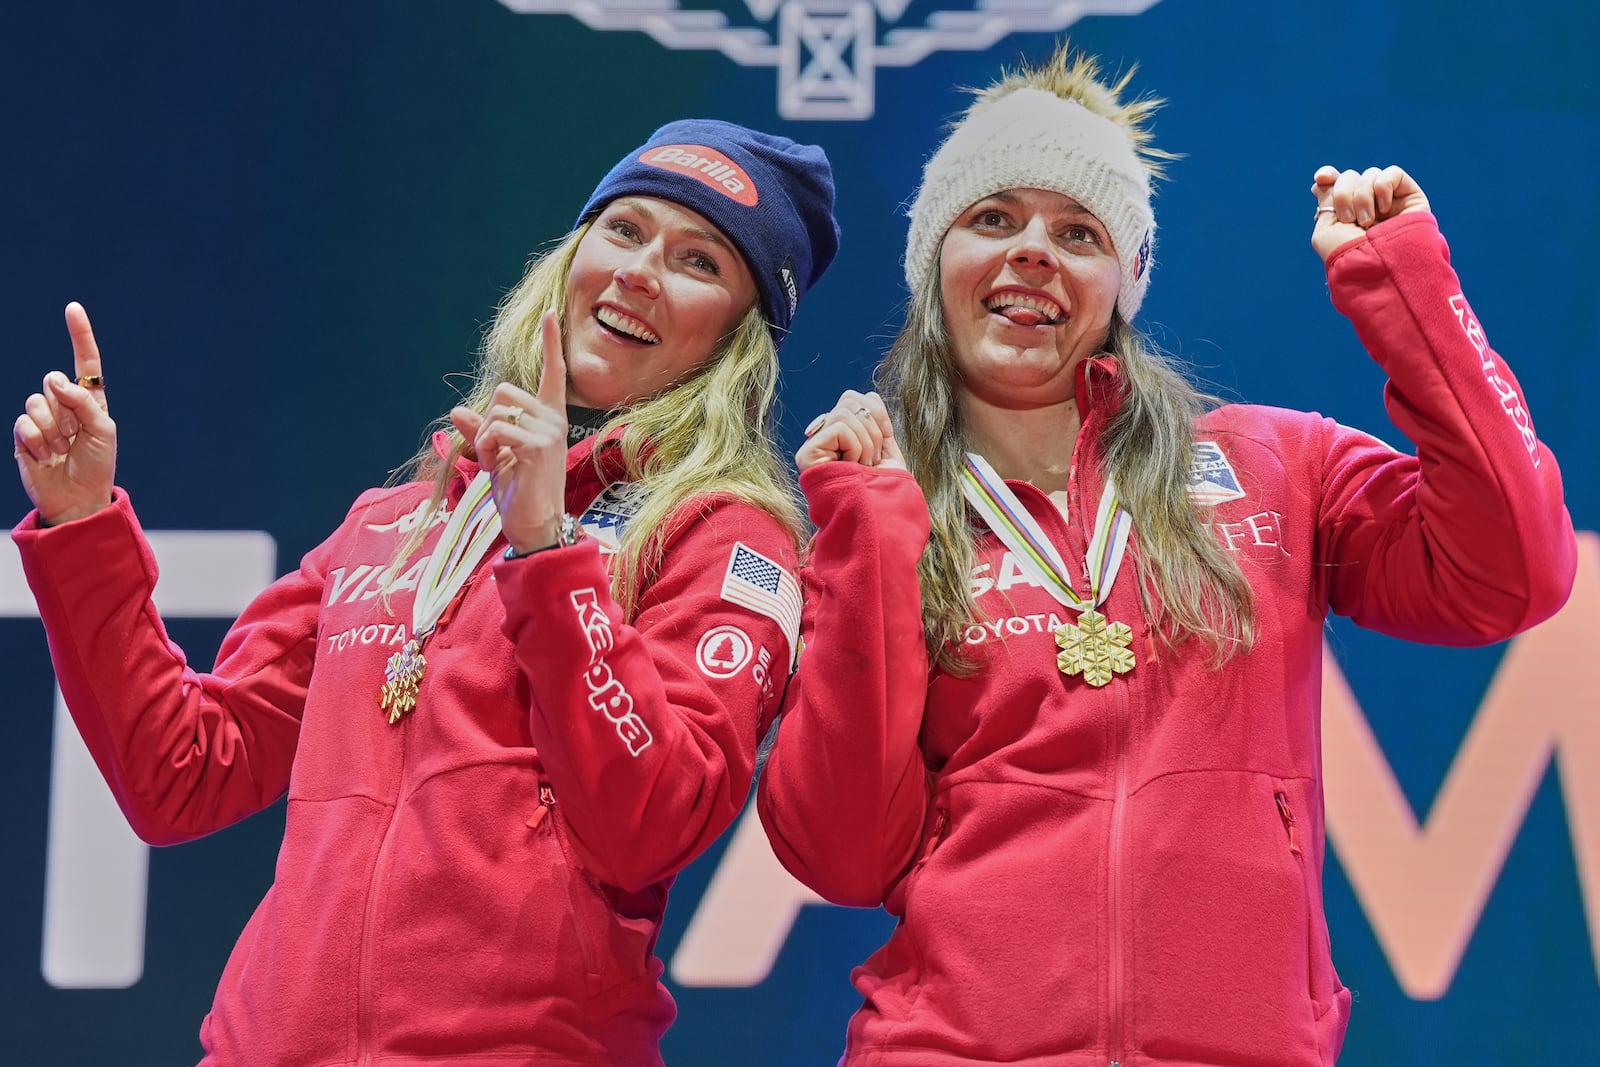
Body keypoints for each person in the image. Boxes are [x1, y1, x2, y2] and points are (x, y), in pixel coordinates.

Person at [757, 43, 1575, 1067]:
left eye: (1078, 231)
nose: (1032, 253)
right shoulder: (884, 504)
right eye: (993, 218)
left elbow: (1511, 571)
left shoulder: (1277, 466)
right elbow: (838, 849)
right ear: (935, 263)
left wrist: (1404, 291)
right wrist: (870, 539)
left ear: (1124, 281)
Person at [13, 118, 837, 1066]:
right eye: (624, 229)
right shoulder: (396, 519)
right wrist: (82, 527)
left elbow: (648, 823)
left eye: (698, 259)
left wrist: (545, 552)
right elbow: (183, 773)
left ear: (738, 337)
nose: (642, 270)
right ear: (569, 257)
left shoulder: (726, 538)